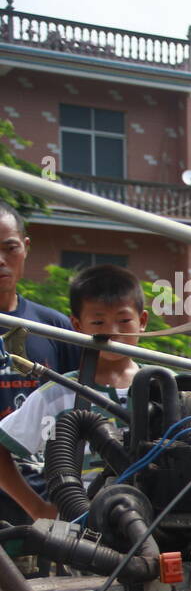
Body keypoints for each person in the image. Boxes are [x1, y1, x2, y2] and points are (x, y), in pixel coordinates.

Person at [0, 264, 142, 519]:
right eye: (99, 322)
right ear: (77, 325)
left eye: (124, 320)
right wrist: (37, 508)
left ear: (142, 321)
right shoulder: (57, 393)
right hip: (82, 533)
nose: (114, 332)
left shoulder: (166, 387)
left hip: (155, 524)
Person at [0, 199, 81, 524]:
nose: (1, 261)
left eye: (10, 248)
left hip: (50, 501)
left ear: (26, 247)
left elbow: (81, 410)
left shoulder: (55, 327)